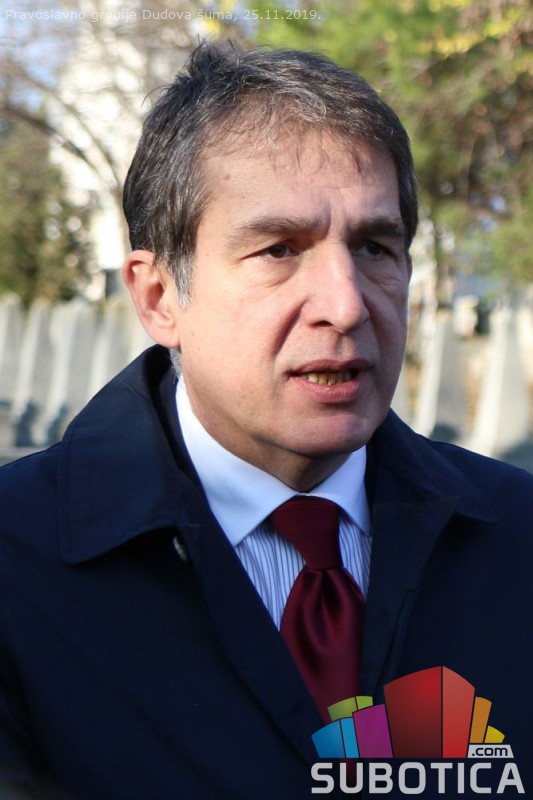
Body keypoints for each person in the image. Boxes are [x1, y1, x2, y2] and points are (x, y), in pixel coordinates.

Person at [0, 42, 531, 800]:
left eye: (374, 247)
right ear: (159, 299)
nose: (345, 305)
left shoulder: (516, 540)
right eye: (279, 249)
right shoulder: (19, 565)